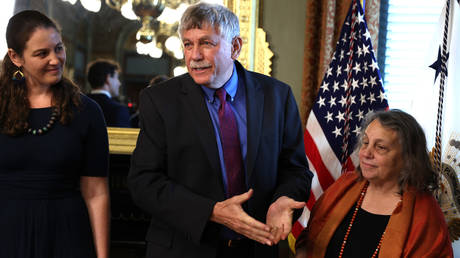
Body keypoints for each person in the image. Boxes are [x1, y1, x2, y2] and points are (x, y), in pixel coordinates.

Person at [128, 2, 312, 258]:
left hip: (256, 248)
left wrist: (283, 201)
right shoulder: (160, 100)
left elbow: (296, 170)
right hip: (184, 249)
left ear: (235, 47)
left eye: (206, 43)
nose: (194, 55)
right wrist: (212, 212)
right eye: (188, 44)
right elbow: (143, 183)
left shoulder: (277, 96)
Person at [0, 10, 109, 258]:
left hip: (67, 235)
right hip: (6, 233)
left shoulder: (87, 111)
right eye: (42, 53)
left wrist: (102, 256)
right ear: (16, 57)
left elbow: (96, 193)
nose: (55, 59)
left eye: (58, 48)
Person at [295, 109, 453, 257]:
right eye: (365, 142)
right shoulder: (344, 185)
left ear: (408, 159)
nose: (365, 153)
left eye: (380, 147)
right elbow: (308, 244)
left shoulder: (425, 213)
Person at [87, 59, 131, 127]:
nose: (119, 83)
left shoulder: (77, 105)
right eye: (117, 78)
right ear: (108, 78)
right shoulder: (118, 110)